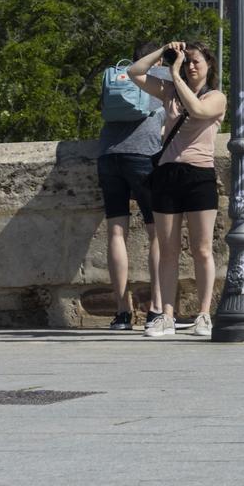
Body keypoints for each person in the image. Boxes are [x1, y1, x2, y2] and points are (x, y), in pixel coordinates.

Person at [127, 41, 225, 338]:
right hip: (168, 173)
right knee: (167, 250)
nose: (191, 66)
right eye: (187, 62)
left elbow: (196, 110)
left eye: (196, 62)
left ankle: (203, 314)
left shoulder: (217, 96)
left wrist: (175, 74)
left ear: (209, 66)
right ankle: (166, 315)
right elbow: (134, 72)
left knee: (201, 249)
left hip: (199, 175)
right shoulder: (169, 92)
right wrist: (165, 52)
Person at [97, 51, 166, 330]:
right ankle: (156, 309)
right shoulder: (162, 76)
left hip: (108, 155)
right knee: (156, 232)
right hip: (144, 155)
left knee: (116, 232)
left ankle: (122, 313)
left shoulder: (116, 74)